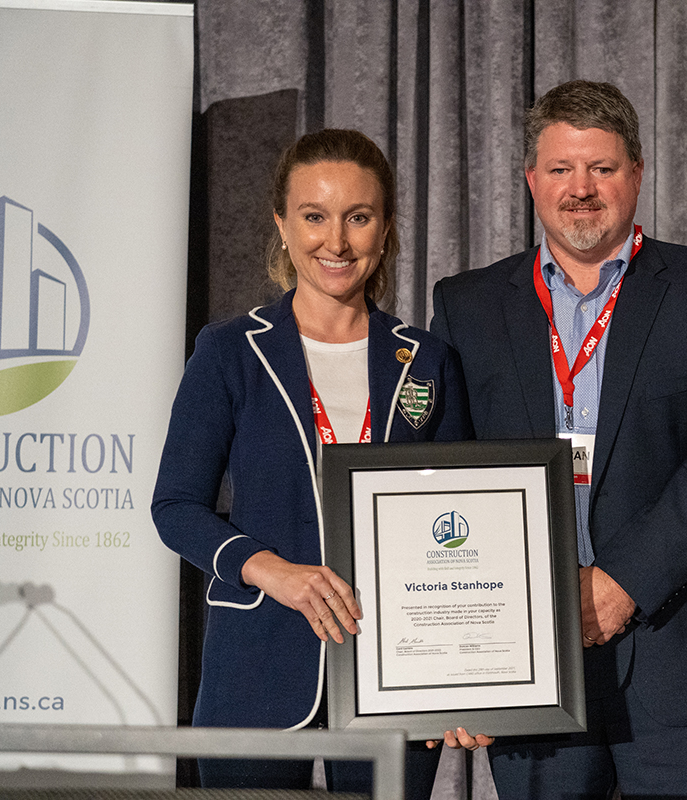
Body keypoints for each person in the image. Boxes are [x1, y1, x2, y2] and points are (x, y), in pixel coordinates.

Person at [431, 80, 687, 799]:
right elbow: (445, 477)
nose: (580, 189)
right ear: (532, 179)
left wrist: (623, 581)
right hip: (527, 657)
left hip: (681, 653)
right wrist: (455, 662)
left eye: (602, 168)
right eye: (561, 169)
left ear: (638, 173)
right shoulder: (466, 305)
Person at [152, 129, 484, 794]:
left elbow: (461, 522)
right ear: (281, 223)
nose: (335, 241)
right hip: (256, 666)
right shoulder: (230, 352)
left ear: (385, 228)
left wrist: (466, 673)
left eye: (358, 217)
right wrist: (272, 572)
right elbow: (175, 508)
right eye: (314, 216)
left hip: (396, 673)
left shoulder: (426, 360)